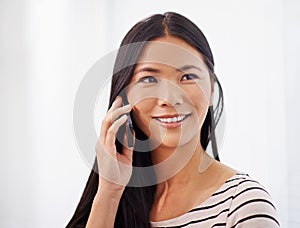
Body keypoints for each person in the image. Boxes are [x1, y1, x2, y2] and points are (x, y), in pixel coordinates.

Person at [67, 12, 280, 227]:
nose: (169, 98)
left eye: (188, 77)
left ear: (212, 88)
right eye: (149, 79)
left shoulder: (244, 205)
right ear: (123, 96)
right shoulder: (112, 199)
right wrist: (109, 192)